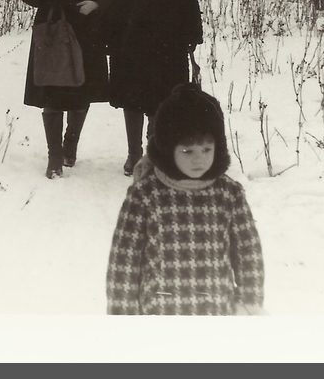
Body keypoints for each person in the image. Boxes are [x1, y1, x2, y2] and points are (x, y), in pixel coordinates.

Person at [106, 83, 264, 315]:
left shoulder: (229, 194)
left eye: (207, 149)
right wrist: (124, 317)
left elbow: (248, 252)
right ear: (169, 149)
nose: (198, 159)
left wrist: (249, 303)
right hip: (160, 314)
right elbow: (124, 261)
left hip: (216, 312)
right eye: (187, 151)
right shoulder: (145, 195)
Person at [104, 0, 203, 176]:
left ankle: (153, 149)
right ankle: (134, 152)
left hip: (167, 40)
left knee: (163, 98)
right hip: (130, 39)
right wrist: (108, 34)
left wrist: (192, 33)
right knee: (132, 97)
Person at [19, 0, 112, 179]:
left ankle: (70, 144)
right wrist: (50, 0)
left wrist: (95, 3)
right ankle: (54, 155)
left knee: (80, 92)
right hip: (52, 30)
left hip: (86, 30)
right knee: (52, 92)